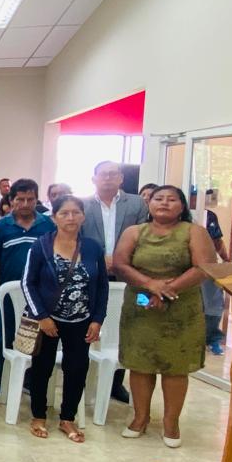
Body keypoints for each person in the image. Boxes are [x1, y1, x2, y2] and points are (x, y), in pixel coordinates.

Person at [113, 185, 216, 448]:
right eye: (158, 198)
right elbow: (121, 264)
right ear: (149, 204)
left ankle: (171, 423)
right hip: (141, 305)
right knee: (140, 364)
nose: (164, 203)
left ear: (182, 206)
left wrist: (167, 290)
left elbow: (204, 267)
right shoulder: (134, 232)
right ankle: (140, 418)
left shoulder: (194, 232)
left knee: (176, 367)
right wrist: (150, 285)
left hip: (181, 308)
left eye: (172, 199)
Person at [21, 195, 108, 443]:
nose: (71, 218)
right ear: (54, 217)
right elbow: (27, 282)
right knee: (42, 368)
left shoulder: (92, 247)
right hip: (48, 320)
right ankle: (38, 415)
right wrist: (42, 316)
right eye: (64, 213)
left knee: (77, 369)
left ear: (83, 216)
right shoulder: (41, 245)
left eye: (76, 213)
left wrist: (97, 319)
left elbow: (102, 286)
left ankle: (67, 417)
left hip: (82, 320)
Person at [81, 160, 149, 404]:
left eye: (113, 174)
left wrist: (119, 259)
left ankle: (115, 382)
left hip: (127, 273)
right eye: (103, 174)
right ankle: (83, 378)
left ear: (121, 178)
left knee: (122, 326)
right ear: (94, 179)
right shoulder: (82, 205)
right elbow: (78, 238)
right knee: (88, 324)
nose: (108, 178)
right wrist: (100, 259)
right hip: (92, 272)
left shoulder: (137, 204)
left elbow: (143, 237)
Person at [0, 179, 56, 397]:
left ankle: (31, 379)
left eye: (30, 199)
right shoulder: (1, 226)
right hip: (8, 290)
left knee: (37, 336)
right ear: (11, 200)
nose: (25, 204)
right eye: (20, 199)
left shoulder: (48, 225)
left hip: (39, 293)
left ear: (36, 199)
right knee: (4, 335)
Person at [196, 189, 231, 355]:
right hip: (186, 267)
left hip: (208, 265)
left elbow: (217, 241)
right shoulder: (179, 218)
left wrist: (226, 260)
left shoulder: (209, 216)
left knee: (213, 305)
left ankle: (212, 339)